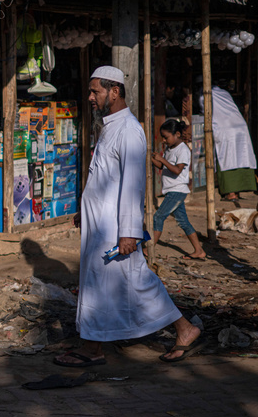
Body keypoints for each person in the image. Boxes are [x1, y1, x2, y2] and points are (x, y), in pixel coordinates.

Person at [55, 66, 203, 367]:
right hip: (101, 224)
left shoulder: (129, 131)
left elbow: (134, 185)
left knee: (130, 282)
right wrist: (85, 209)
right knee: (116, 283)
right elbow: (103, 177)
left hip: (115, 228)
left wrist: (130, 232)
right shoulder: (110, 127)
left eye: (95, 91)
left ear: (115, 91)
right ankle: (97, 345)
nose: (90, 97)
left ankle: (96, 347)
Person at [150, 118, 205, 260]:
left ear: (177, 134)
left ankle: (149, 248)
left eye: (166, 137)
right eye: (162, 137)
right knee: (183, 222)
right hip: (171, 190)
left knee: (158, 217)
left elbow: (176, 170)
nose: (164, 140)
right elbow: (163, 167)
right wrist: (152, 158)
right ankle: (199, 250)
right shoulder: (169, 148)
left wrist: (162, 160)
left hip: (177, 190)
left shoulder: (183, 150)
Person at [202, 85, 257, 201]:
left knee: (227, 159)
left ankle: (231, 193)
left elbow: (204, 112)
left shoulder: (204, 95)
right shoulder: (224, 92)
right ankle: (237, 192)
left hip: (224, 128)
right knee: (241, 156)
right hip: (240, 126)